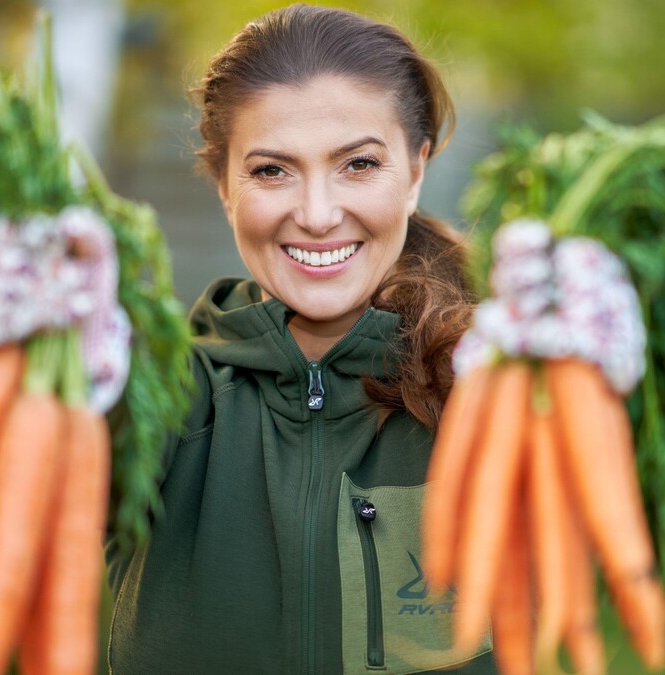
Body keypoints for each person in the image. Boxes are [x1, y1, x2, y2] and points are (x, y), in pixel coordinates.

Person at [105, 5, 497, 673]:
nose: (316, 215)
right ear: (225, 186)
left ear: (417, 169)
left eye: (359, 165)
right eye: (271, 171)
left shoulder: (497, 391)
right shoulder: (152, 393)